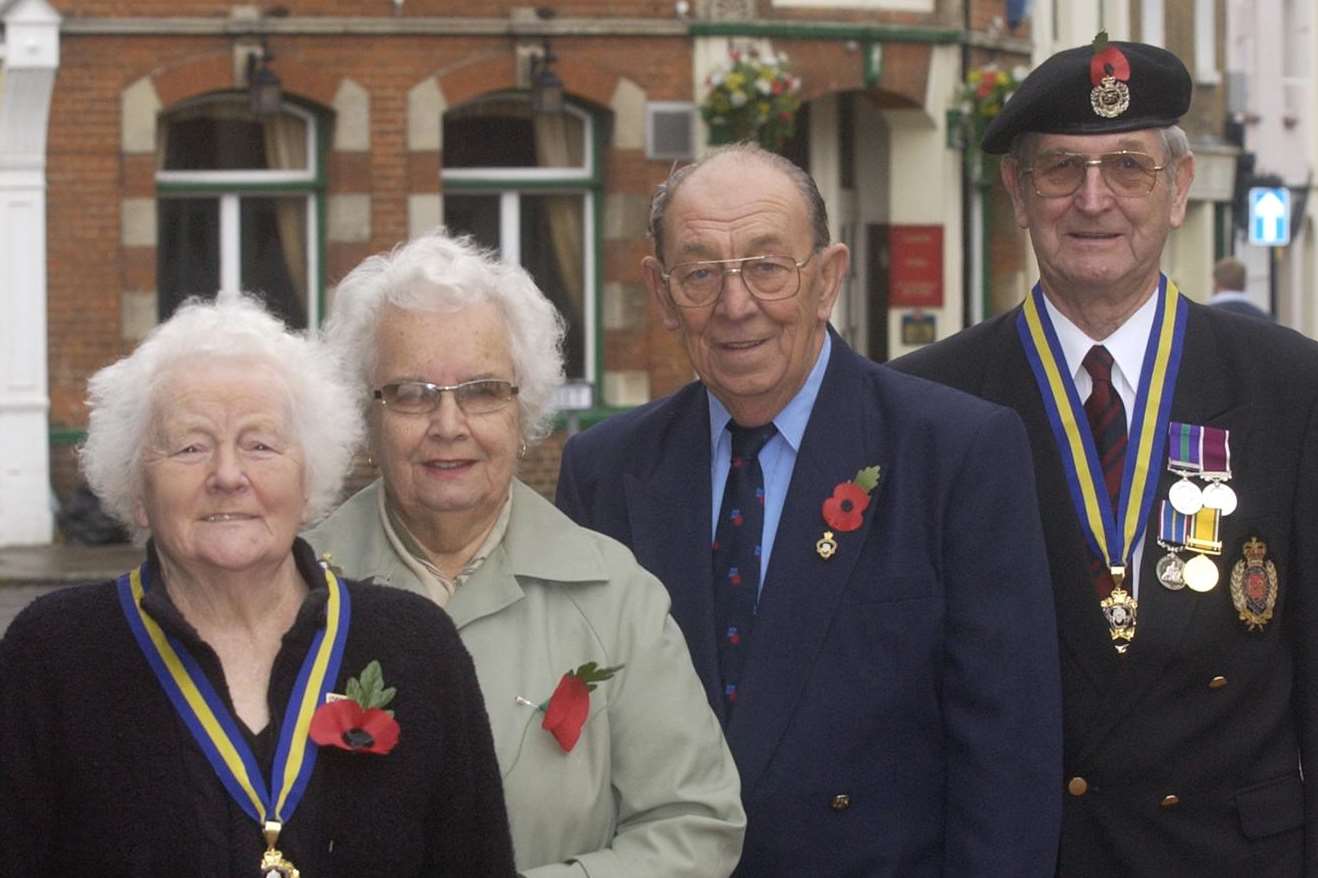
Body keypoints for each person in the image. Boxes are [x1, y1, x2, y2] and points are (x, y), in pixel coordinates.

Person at [555, 142, 1063, 876]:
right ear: (661, 295)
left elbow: (1009, 759)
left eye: (767, 266)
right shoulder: (606, 470)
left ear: (827, 279)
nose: (736, 306)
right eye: (701, 273)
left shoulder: (955, 452)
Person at [894, 36, 1318, 877]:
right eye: (1060, 169)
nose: (1094, 200)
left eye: (1128, 167)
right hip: (1033, 854)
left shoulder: (1289, 385)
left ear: (1178, 191)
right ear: (1016, 191)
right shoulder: (927, 401)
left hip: (1234, 857)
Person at [0, 292, 515, 877]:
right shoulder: (53, 654)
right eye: (190, 446)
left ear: (309, 480)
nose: (227, 475)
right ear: (138, 490)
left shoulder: (417, 646)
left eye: (260, 444)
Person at [304, 231, 746, 878]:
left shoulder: (614, 596)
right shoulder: (294, 590)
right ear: (366, 413)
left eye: (482, 390)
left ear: (524, 408)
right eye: (411, 393)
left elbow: (695, 827)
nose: (448, 425)